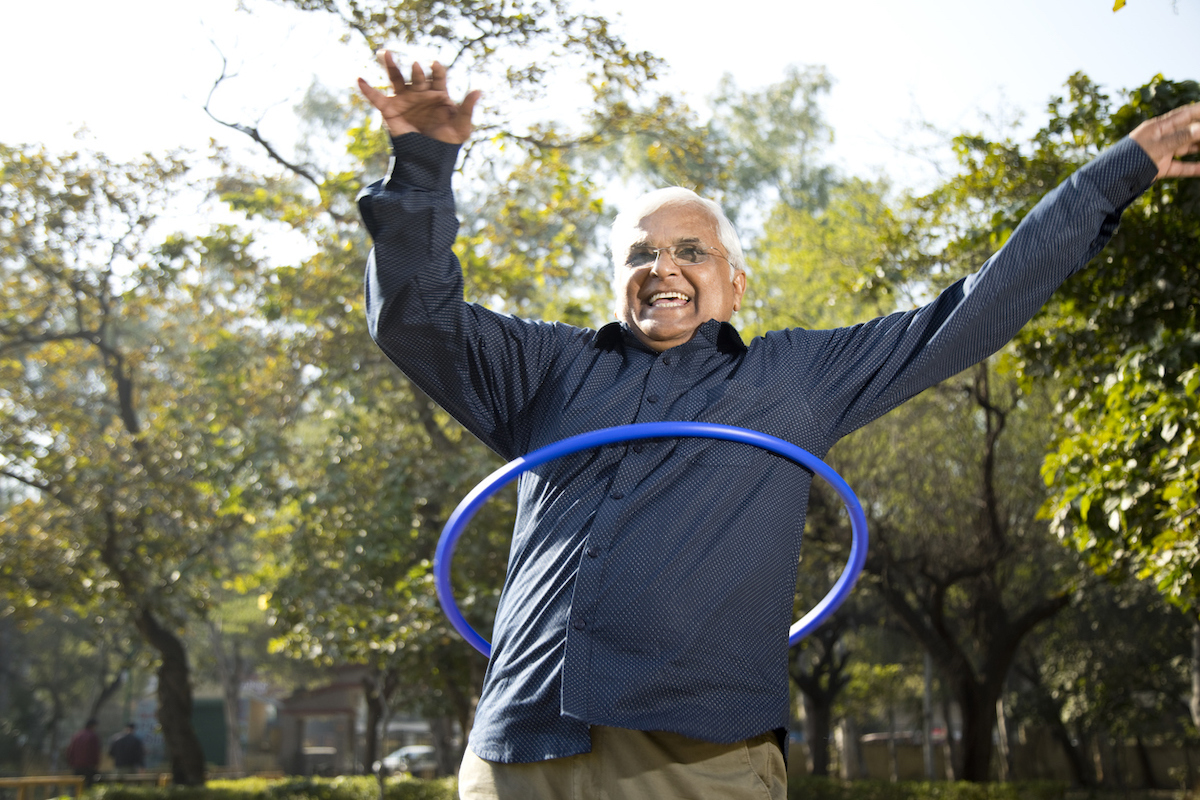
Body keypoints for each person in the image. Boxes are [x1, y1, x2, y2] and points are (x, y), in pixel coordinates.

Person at [355, 53, 1200, 799]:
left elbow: (972, 312)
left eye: (691, 251)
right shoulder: (545, 368)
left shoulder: (795, 378)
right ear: (617, 280)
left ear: (735, 282)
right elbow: (413, 316)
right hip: (524, 749)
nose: (665, 269)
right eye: (640, 255)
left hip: (698, 757)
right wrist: (423, 162)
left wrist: (1109, 177)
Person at [65, 718, 101, 787]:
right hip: (89, 767)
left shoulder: (77, 735)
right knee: (89, 787)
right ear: (93, 726)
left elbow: (70, 751)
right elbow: (95, 752)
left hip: (77, 766)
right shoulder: (92, 736)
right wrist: (96, 764)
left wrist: (71, 763)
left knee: (77, 788)